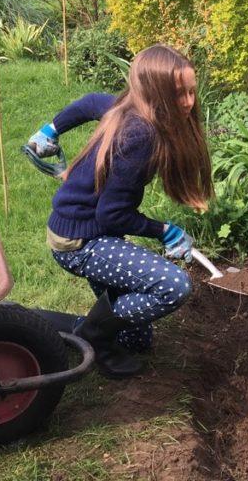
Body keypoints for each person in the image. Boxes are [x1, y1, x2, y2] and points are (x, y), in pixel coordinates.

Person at [27, 44, 213, 378]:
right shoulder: (141, 135)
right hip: (79, 241)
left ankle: (73, 326)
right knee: (174, 286)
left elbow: (88, 103)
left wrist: (51, 129)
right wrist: (164, 232)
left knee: (137, 339)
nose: (187, 102)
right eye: (178, 94)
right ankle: (91, 335)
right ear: (155, 94)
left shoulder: (127, 106)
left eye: (191, 92)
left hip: (86, 230)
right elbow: (112, 216)